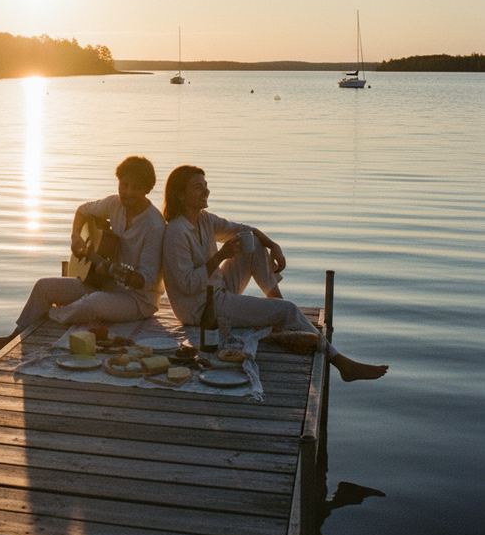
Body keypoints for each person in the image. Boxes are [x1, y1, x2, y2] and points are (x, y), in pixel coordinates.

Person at [161, 164, 387, 382]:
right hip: (200, 310)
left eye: (206, 185)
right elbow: (187, 285)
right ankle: (340, 362)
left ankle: (278, 311)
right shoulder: (176, 232)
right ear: (181, 195)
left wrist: (272, 245)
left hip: (216, 291)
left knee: (254, 244)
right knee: (288, 309)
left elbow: (244, 230)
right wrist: (221, 256)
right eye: (198, 187)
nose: (206, 190)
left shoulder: (204, 219)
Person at [0, 156, 166, 351]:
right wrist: (75, 237)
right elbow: (82, 211)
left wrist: (108, 268)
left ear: (147, 189)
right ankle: (12, 338)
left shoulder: (154, 225)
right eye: (124, 185)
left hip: (137, 300)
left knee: (93, 303)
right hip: (105, 285)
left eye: (135, 187)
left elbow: (145, 280)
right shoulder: (114, 204)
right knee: (44, 287)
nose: (127, 192)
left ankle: (47, 315)